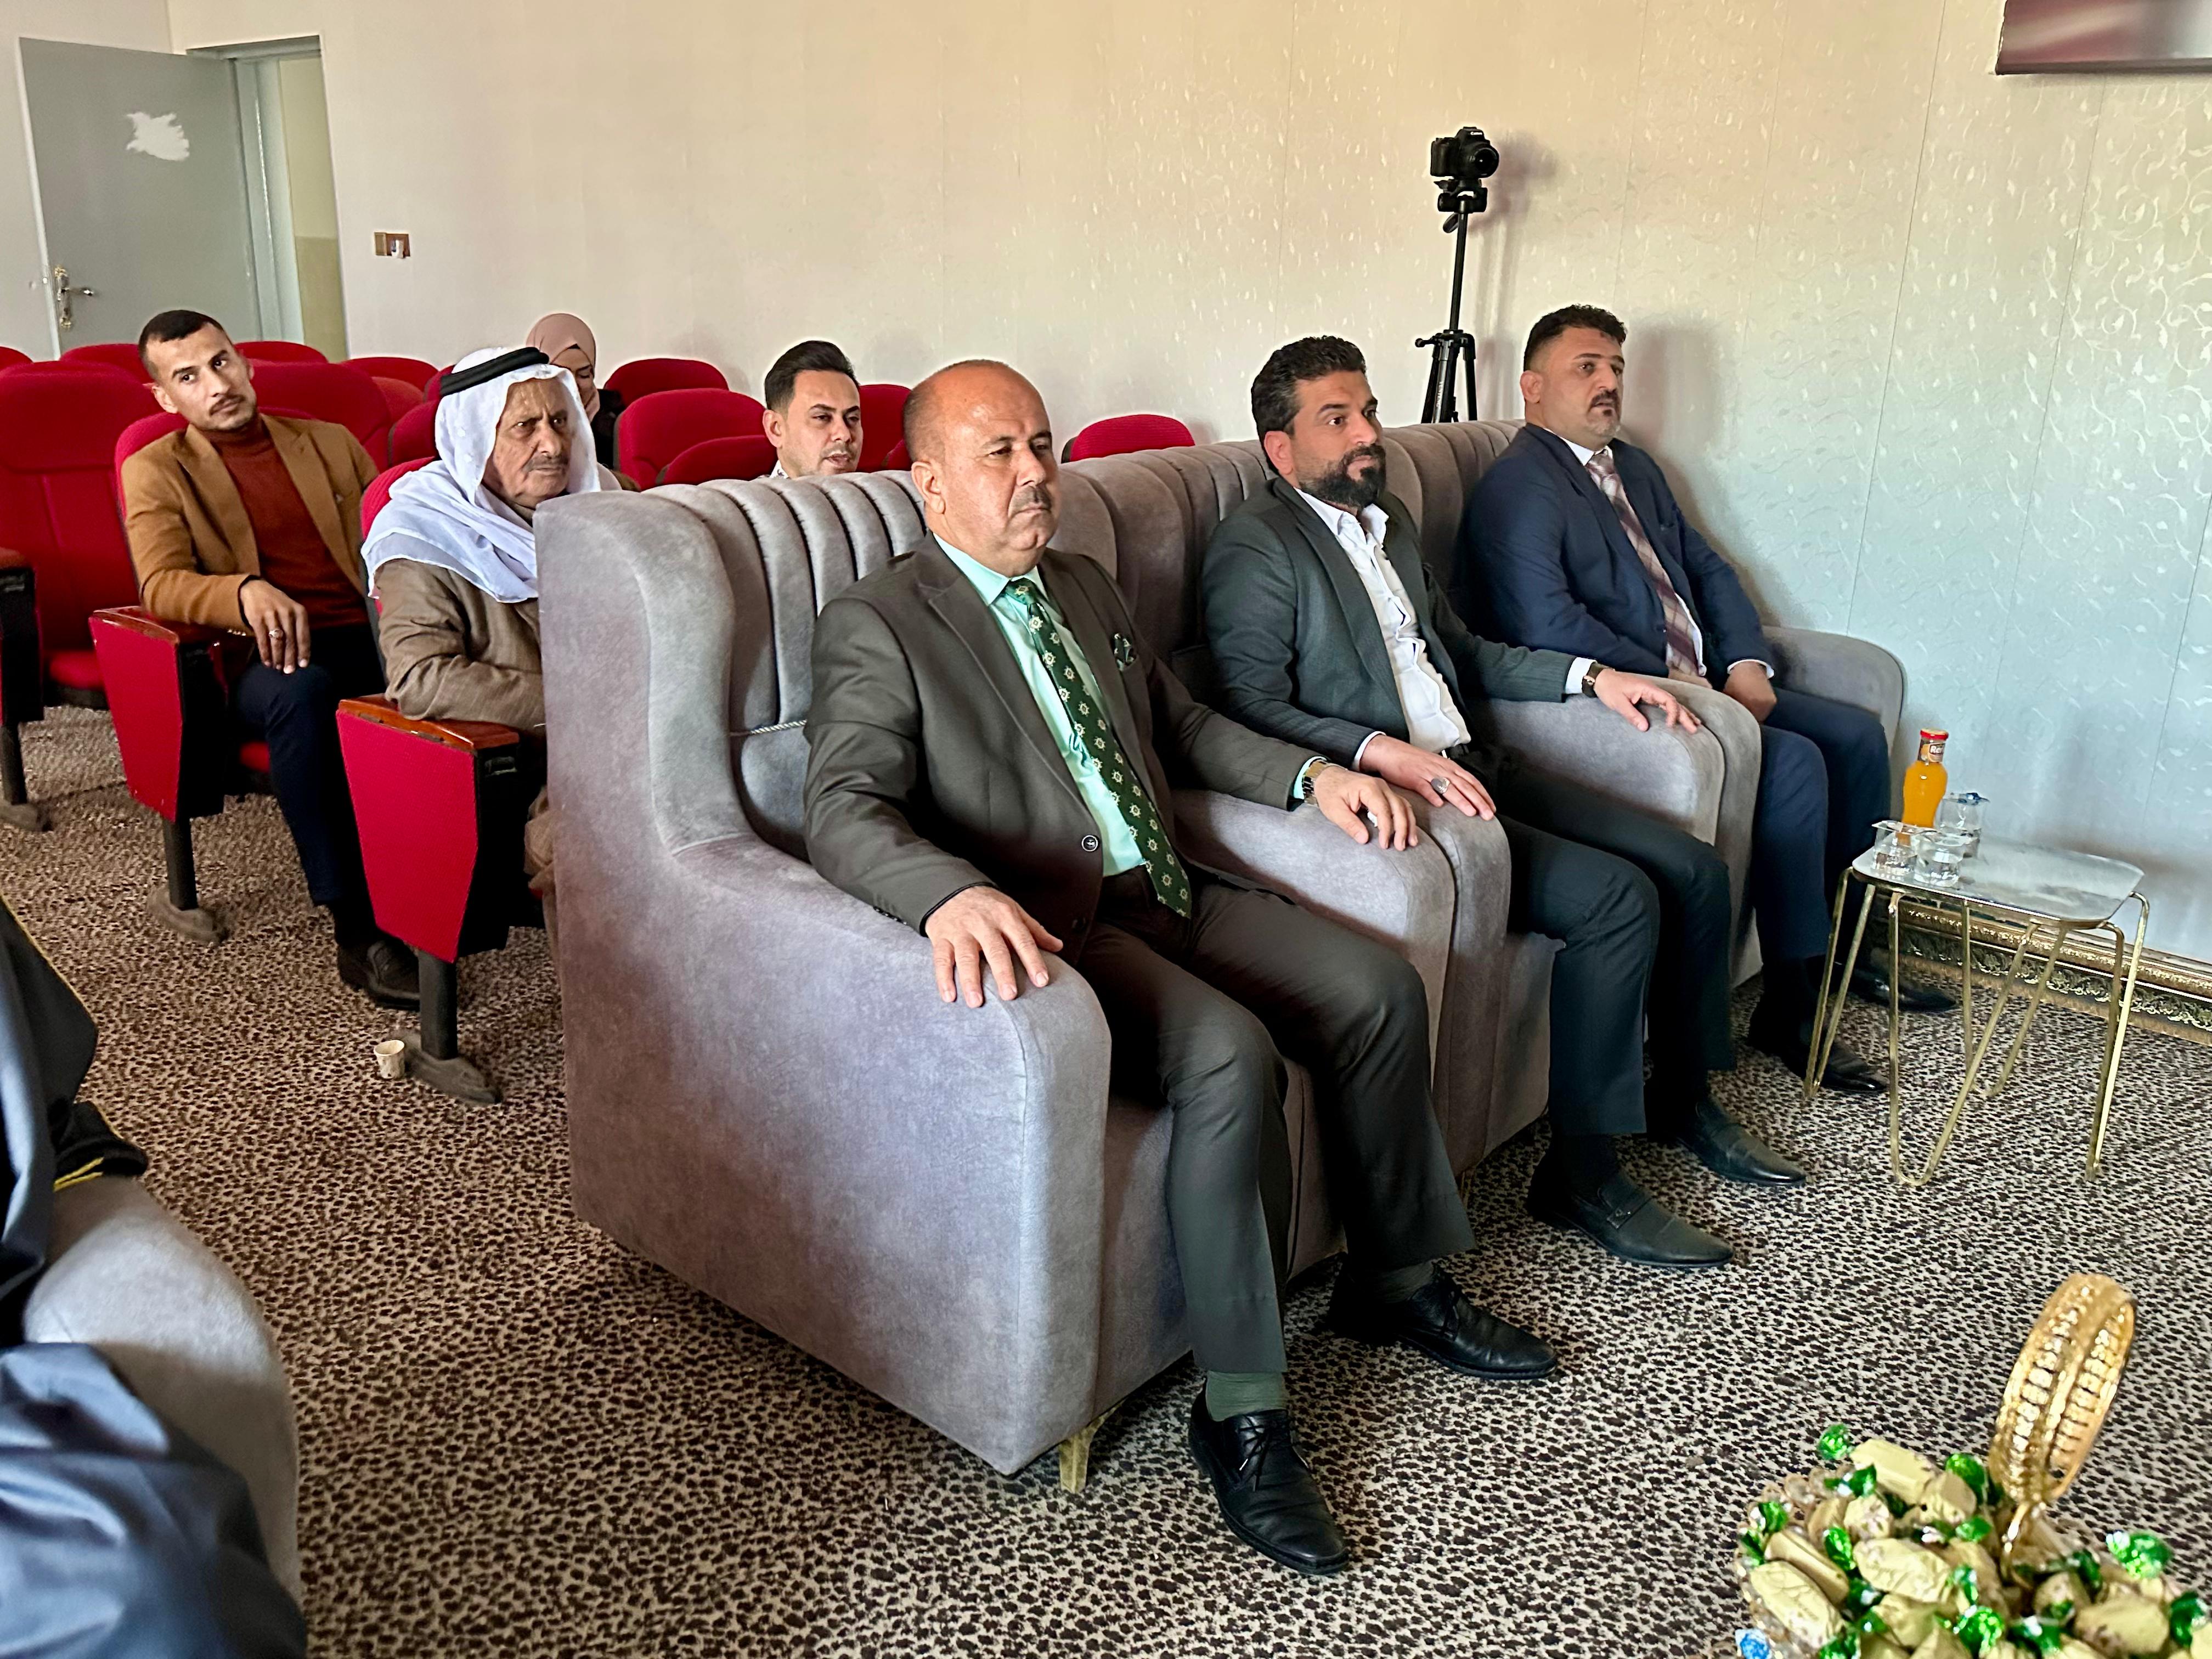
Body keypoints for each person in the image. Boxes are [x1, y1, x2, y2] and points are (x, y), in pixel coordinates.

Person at [805, 360, 1554, 1576]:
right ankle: (1243, 1412)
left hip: (1172, 885)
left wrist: (1315, 775)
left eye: (1041, 445)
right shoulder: (882, 621)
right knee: (1227, 1057)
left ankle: (1397, 1279)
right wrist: (946, 892)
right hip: (1063, 925)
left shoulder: (1080, 583)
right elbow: (842, 803)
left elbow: (1182, 726)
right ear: (929, 481)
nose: (1035, 473)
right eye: (999, 453)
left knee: (1377, 992)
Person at [1204, 337, 1800, 1280]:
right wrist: (1375, 752)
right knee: (1617, 899)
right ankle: (1583, 1176)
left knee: (1691, 869)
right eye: (1337, 419)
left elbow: (1465, 649)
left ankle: (1684, 1098)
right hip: (1415, 793)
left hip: (1477, 759)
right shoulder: (1257, 545)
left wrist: (1589, 676)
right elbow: (1248, 702)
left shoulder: (1389, 520)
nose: (1367, 434)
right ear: (1280, 448)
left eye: (1368, 410)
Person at [1458, 307, 1953, 1090]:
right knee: (1794, 763)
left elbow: (1710, 570)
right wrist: (1679, 682)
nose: (1609, 382)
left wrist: (1747, 663)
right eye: (1587, 367)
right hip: (1643, 694)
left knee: (1857, 737)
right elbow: (1545, 625)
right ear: (1533, 386)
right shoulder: (1520, 488)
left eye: (1616, 368)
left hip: (1712, 679)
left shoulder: (1633, 467)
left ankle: (1848, 952)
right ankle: (1790, 1007)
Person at [122, 309, 416, 1007]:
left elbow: (397, 539)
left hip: (368, 634)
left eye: (221, 362)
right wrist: (242, 590)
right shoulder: (156, 469)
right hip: (261, 660)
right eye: (188, 377)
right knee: (303, 695)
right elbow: (160, 583)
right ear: (165, 397)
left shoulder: (329, 443)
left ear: (244, 362)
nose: (216, 385)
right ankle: (358, 927)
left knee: (448, 677)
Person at [363, 346, 623, 888]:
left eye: (560, 422)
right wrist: (582, 706)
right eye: (525, 427)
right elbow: (421, 679)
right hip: (539, 763)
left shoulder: (610, 499)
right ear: (474, 442)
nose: (552, 444)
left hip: (641, 729)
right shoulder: (421, 534)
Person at [526, 313, 625, 477]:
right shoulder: (520, 419)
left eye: (584, 375)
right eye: (561, 374)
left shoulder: (614, 419)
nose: (573, 385)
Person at [761, 340, 864, 478]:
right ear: (776, 429)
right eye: (822, 417)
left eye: (853, 418)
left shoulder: (881, 489)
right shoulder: (750, 493)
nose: (845, 435)